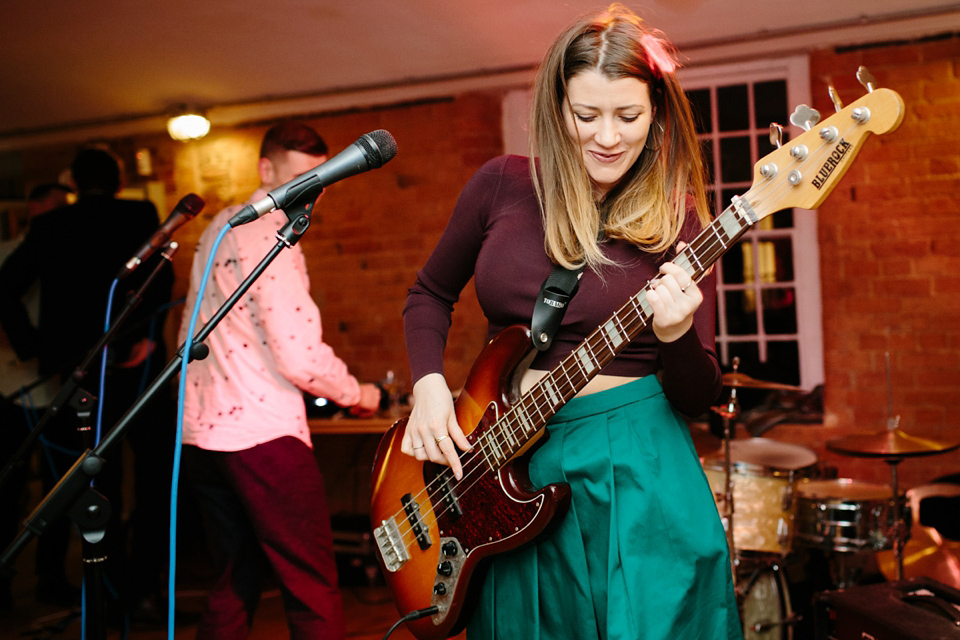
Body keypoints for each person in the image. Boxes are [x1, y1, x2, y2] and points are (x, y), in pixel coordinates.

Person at [400, 5, 742, 639]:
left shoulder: (679, 220)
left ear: (658, 114)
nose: (607, 137)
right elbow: (428, 293)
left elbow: (699, 396)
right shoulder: (501, 185)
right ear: (556, 111)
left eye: (628, 116)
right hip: (504, 467)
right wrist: (426, 389)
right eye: (586, 116)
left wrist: (676, 337)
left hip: (635, 465)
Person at [179, 121, 381, 639]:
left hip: (201, 433)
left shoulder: (218, 226)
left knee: (235, 576)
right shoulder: (272, 237)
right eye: (299, 178)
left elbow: (188, 326)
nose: (310, 192)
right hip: (261, 434)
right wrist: (359, 395)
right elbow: (298, 356)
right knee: (312, 582)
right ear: (266, 171)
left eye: (319, 180)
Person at [0, 148, 171, 613]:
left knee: (96, 486)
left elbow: (5, 287)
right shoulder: (139, 213)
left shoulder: (52, 225)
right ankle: (143, 589)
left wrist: (37, 349)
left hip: (77, 372)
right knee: (155, 479)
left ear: (74, 183)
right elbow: (162, 274)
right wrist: (147, 337)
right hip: (138, 366)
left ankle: (108, 588)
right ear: (118, 182)